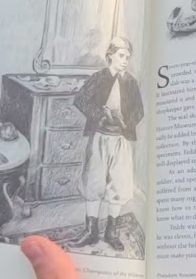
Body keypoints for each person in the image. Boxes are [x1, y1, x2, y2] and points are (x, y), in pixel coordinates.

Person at [70, 37, 143, 251]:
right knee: (94, 182)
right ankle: (91, 231)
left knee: (118, 184)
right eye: (121, 56)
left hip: (120, 140)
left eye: (128, 57)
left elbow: (139, 111)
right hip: (99, 138)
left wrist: (124, 120)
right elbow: (81, 99)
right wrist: (100, 115)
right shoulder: (99, 78)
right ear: (110, 56)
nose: (125, 60)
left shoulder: (131, 83)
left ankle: (111, 231)